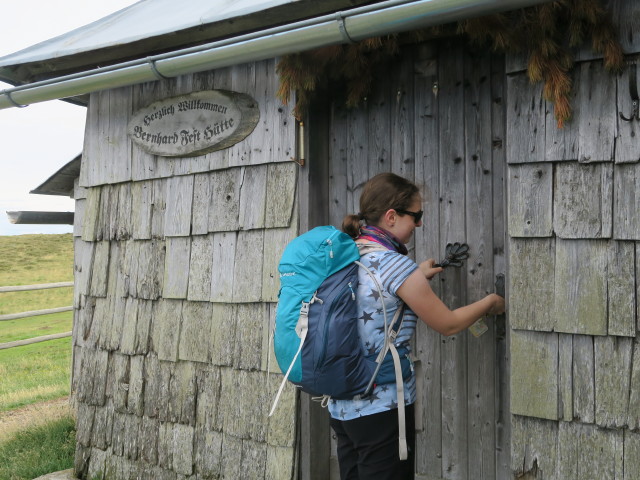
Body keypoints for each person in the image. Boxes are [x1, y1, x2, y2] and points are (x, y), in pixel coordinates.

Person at [329, 172, 505, 480]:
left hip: (341, 406)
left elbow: (373, 296)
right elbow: (448, 325)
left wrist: (417, 275)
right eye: (417, 215)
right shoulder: (396, 265)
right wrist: (490, 303)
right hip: (382, 407)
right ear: (392, 216)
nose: (420, 224)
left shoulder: (345, 255)